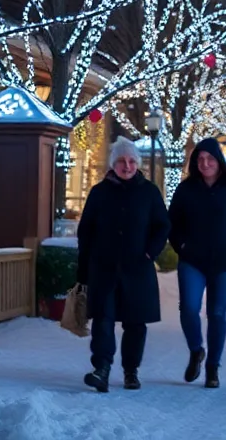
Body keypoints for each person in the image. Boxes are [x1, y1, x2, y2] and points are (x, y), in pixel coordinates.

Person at [76, 137, 170, 393]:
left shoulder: (149, 192)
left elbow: (163, 226)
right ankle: (102, 369)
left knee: (135, 323)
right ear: (113, 164)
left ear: (137, 164)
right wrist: (83, 269)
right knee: (103, 320)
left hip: (138, 268)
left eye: (131, 161)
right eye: (121, 161)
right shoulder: (99, 192)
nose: (126, 166)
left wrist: (150, 253)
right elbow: (86, 232)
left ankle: (131, 370)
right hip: (104, 268)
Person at [167, 138, 226, 390]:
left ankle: (213, 367)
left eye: (210, 159)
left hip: (225, 262)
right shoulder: (186, 190)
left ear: (219, 161)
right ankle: (197, 350)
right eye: (200, 159)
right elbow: (171, 222)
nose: (205, 163)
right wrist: (180, 246)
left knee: (216, 313)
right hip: (192, 260)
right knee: (188, 308)